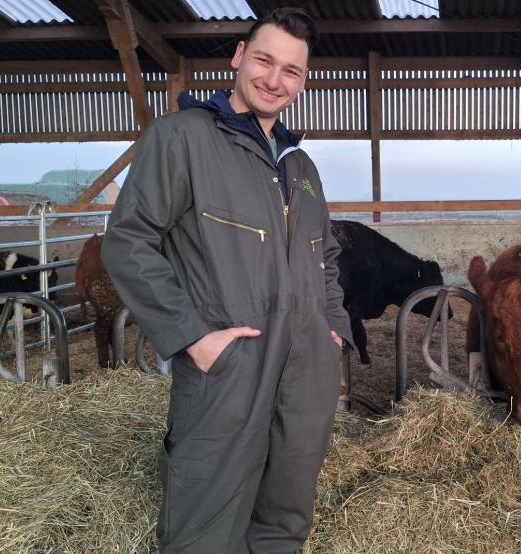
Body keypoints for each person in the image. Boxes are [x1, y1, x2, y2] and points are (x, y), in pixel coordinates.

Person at [101, 8, 352, 553]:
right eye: (264, 60)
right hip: (229, 365)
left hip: (305, 365)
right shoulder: (181, 138)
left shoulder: (300, 167)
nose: (274, 79)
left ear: (303, 81)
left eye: (292, 70)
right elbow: (128, 240)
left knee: (286, 515)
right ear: (239, 57)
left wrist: (332, 331)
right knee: (206, 522)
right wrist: (192, 337)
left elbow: (325, 256)